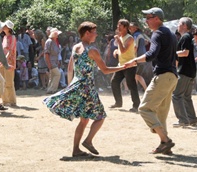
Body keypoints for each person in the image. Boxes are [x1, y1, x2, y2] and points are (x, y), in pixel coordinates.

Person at [43, 21, 131, 157]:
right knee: (100, 117)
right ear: (87, 33)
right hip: (87, 88)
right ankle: (88, 141)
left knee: (84, 121)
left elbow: (70, 67)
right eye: (94, 32)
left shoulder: (75, 47)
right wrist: (123, 67)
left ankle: (76, 150)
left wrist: (69, 84)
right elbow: (106, 70)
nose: (96, 34)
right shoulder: (92, 50)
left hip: (78, 85)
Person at [125, 7, 178, 155]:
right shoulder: (170, 33)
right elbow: (175, 57)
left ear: (157, 18)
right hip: (172, 77)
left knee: (144, 108)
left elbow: (151, 54)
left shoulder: (157, 33)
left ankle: (166, 140)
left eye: (148, 17)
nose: (146, 20)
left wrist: (134, 60)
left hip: (163, 76)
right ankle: (164, 145)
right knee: (161, 113)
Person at [172, 17, 197, 127]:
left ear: (184, 25)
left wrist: (173, 53)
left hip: (185, 71)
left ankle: (183, 120)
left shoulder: (186, 37)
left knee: (176, 95)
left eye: (179, 24)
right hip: (190, 71)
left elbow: (185, 53)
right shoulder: (187, 37)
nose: (177, 26)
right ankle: (192, 119)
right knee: (186, 97)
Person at [110, 19, 140, 112]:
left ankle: (136, 105)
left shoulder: (129, 38)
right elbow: (131, 49)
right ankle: (118, 102)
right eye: (117, 26)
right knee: (114, 82)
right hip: (121, 65)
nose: (118, 27)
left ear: (125, 27)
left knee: (131, 85)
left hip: (130, 65)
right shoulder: (122, 37)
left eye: (120, 26)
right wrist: (116, 50)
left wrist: (118, 40)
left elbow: (124, 50)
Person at [129, 22, 153, 91]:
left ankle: (146, 90)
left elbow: (135, 47)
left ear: (136, 28)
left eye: (131, 27)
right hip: (143, 57)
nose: (130, 29)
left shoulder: (136, 35)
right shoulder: (141, 35)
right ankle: (135, 91)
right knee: (136, 75)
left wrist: (132, 57)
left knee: (137, 75)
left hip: (138, 57)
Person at [0, 20, 17, 106]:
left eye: (5, 26)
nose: (3, 27)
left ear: (9, 28)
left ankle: (12, 101)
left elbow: (10, 50)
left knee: (9, 82)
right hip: (2, 62)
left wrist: (5, 60)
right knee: (3, 82)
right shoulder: (4, 38)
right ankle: (5, 101)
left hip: (9, 62)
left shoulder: (12, 37)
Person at [44, 28, 62, 94]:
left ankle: (49, 89)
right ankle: (52, 89)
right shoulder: (49, 41)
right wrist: (49, 64)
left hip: (54, 61)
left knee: (52, 76)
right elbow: (46, 53)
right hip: (51, 61)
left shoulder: (55, 42)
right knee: (58, 74)